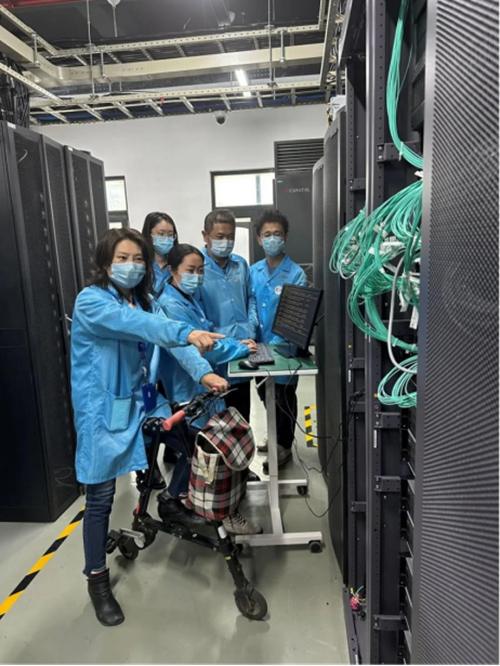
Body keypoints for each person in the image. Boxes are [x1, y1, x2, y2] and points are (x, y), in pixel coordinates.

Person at [71, 228, 224, 627]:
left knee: (192, 444)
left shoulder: (144, 301)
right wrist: (185, 331)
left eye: (138, 259)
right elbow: (140, 326)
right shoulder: (92, 301)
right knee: (101, 497)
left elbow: (174, 341)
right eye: (122, 258)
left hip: (143, 403)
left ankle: (170, 502)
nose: (132, 266)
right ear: (105, 264)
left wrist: (204, 374)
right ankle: (97, 579)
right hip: (104, 412)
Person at [156, 244, 262, 536]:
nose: (197, 276)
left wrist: (234, 344)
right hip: (188, 388)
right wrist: (238, 348)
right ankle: (206, 510)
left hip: (201, 387)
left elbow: (208, 335)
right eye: (191, 270)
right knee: (204, 451)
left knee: (203, 450)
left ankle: (204, 506)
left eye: (200, 270)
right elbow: (202, 348)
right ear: (172, 270)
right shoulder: (171, 305)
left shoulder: (187, 298)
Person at [250, 210, 307, 470]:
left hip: (284, 349)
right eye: (267, 234)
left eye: (277, 234)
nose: (272, 239)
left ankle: (283, 444)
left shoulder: (295, 274)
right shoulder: (253, 272)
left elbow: (296, 316)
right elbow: (250, 306)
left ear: (285, 237)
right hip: (256, 347)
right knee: (264, 392)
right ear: (259, 239)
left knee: (284, 398)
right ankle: (274, 434)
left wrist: (275, 343)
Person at [197, 209, 258, 422]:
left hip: (243, 353)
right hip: (215, 357)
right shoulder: (197, 268)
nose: (226, 242)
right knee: (217, 426)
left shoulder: (240, 264)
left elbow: (251, 298)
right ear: (205, 236)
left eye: (230, 237)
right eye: (220, 237)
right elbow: (196, 313)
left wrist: (251, 326)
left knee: (241, 419)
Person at [142, 212, 179, 295]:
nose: (166, 238)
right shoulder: (142, 264)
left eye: (170, 235)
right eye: (161, 234)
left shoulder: (177, 263)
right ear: (149, 235)